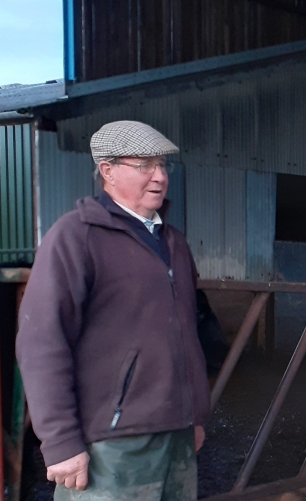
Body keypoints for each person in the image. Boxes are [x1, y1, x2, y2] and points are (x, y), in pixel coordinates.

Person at [17, 121, 210, 500]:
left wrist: (195, 416)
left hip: (178, 436)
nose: (159, 177)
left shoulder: (173, 242)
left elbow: (189, 331)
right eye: (144, 166)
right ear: (107, 170)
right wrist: (60, 441)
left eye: (162, 166)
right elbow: (42, 341)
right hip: (111, 444)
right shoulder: (76, 236)